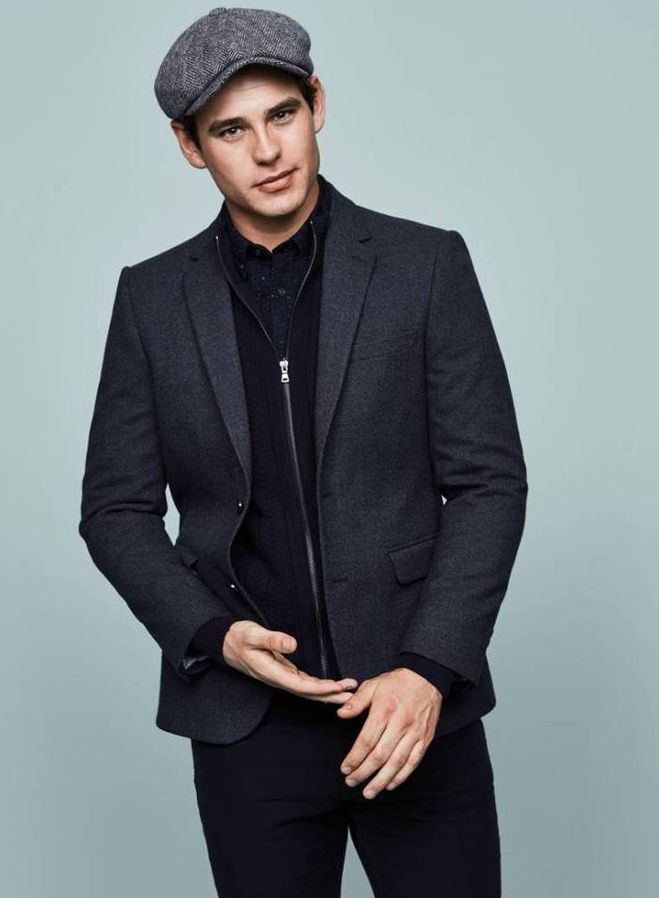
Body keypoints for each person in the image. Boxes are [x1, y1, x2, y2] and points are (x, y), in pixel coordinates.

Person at [78, 7, 528, 897]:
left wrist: (428, 668)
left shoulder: (425, 266)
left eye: (280, 114)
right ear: (190, 146)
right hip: (248, 725)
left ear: (316, 103)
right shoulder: (150, 300)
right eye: (230, 130)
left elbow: (487, 483)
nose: (267, 151)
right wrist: (211, 635)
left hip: (412, 706)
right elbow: (114, 511)